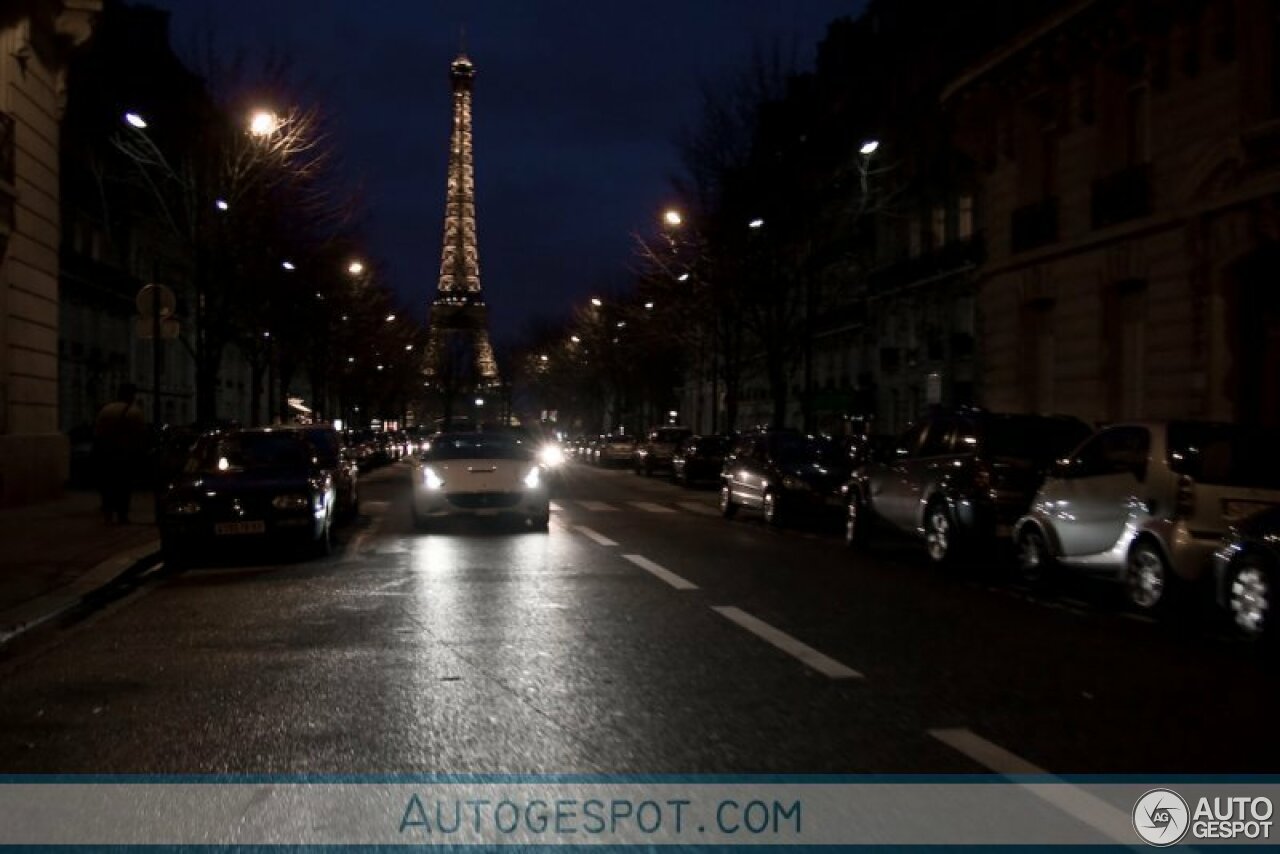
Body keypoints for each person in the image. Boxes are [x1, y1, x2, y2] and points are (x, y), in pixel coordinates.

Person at [93, 383, 148, 524]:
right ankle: (122, 515)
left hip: (106, 453)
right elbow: (140, 436)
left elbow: (97, 433)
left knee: (107, 484)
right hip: (124, 454)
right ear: (131, 396)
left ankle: (108, 513)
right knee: (124, 485)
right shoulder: (134, 412)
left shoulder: (106, 410)